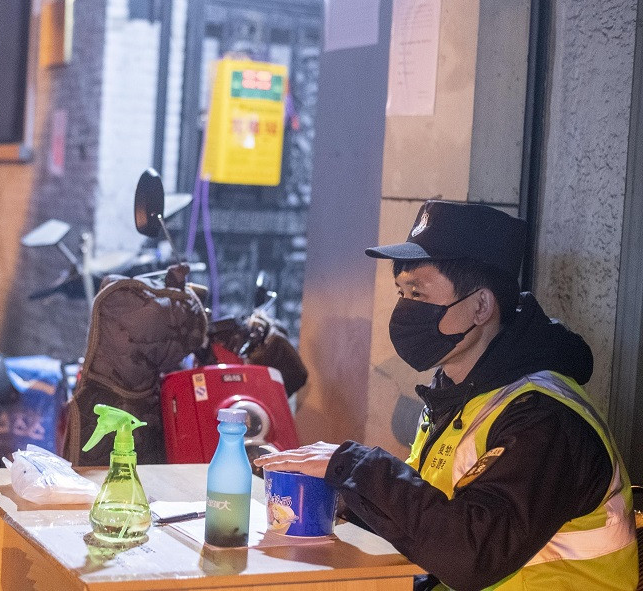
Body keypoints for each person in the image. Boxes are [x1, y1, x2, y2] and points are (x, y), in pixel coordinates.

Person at [256, 200, 637, 590]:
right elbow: (435, 518)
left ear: (481, 306)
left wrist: (358, 467)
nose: (403, 310)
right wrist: (350, 502)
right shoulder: (459, 396)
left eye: (418, 295)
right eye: (401, 293)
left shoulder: (544, 419)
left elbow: (472, 554)